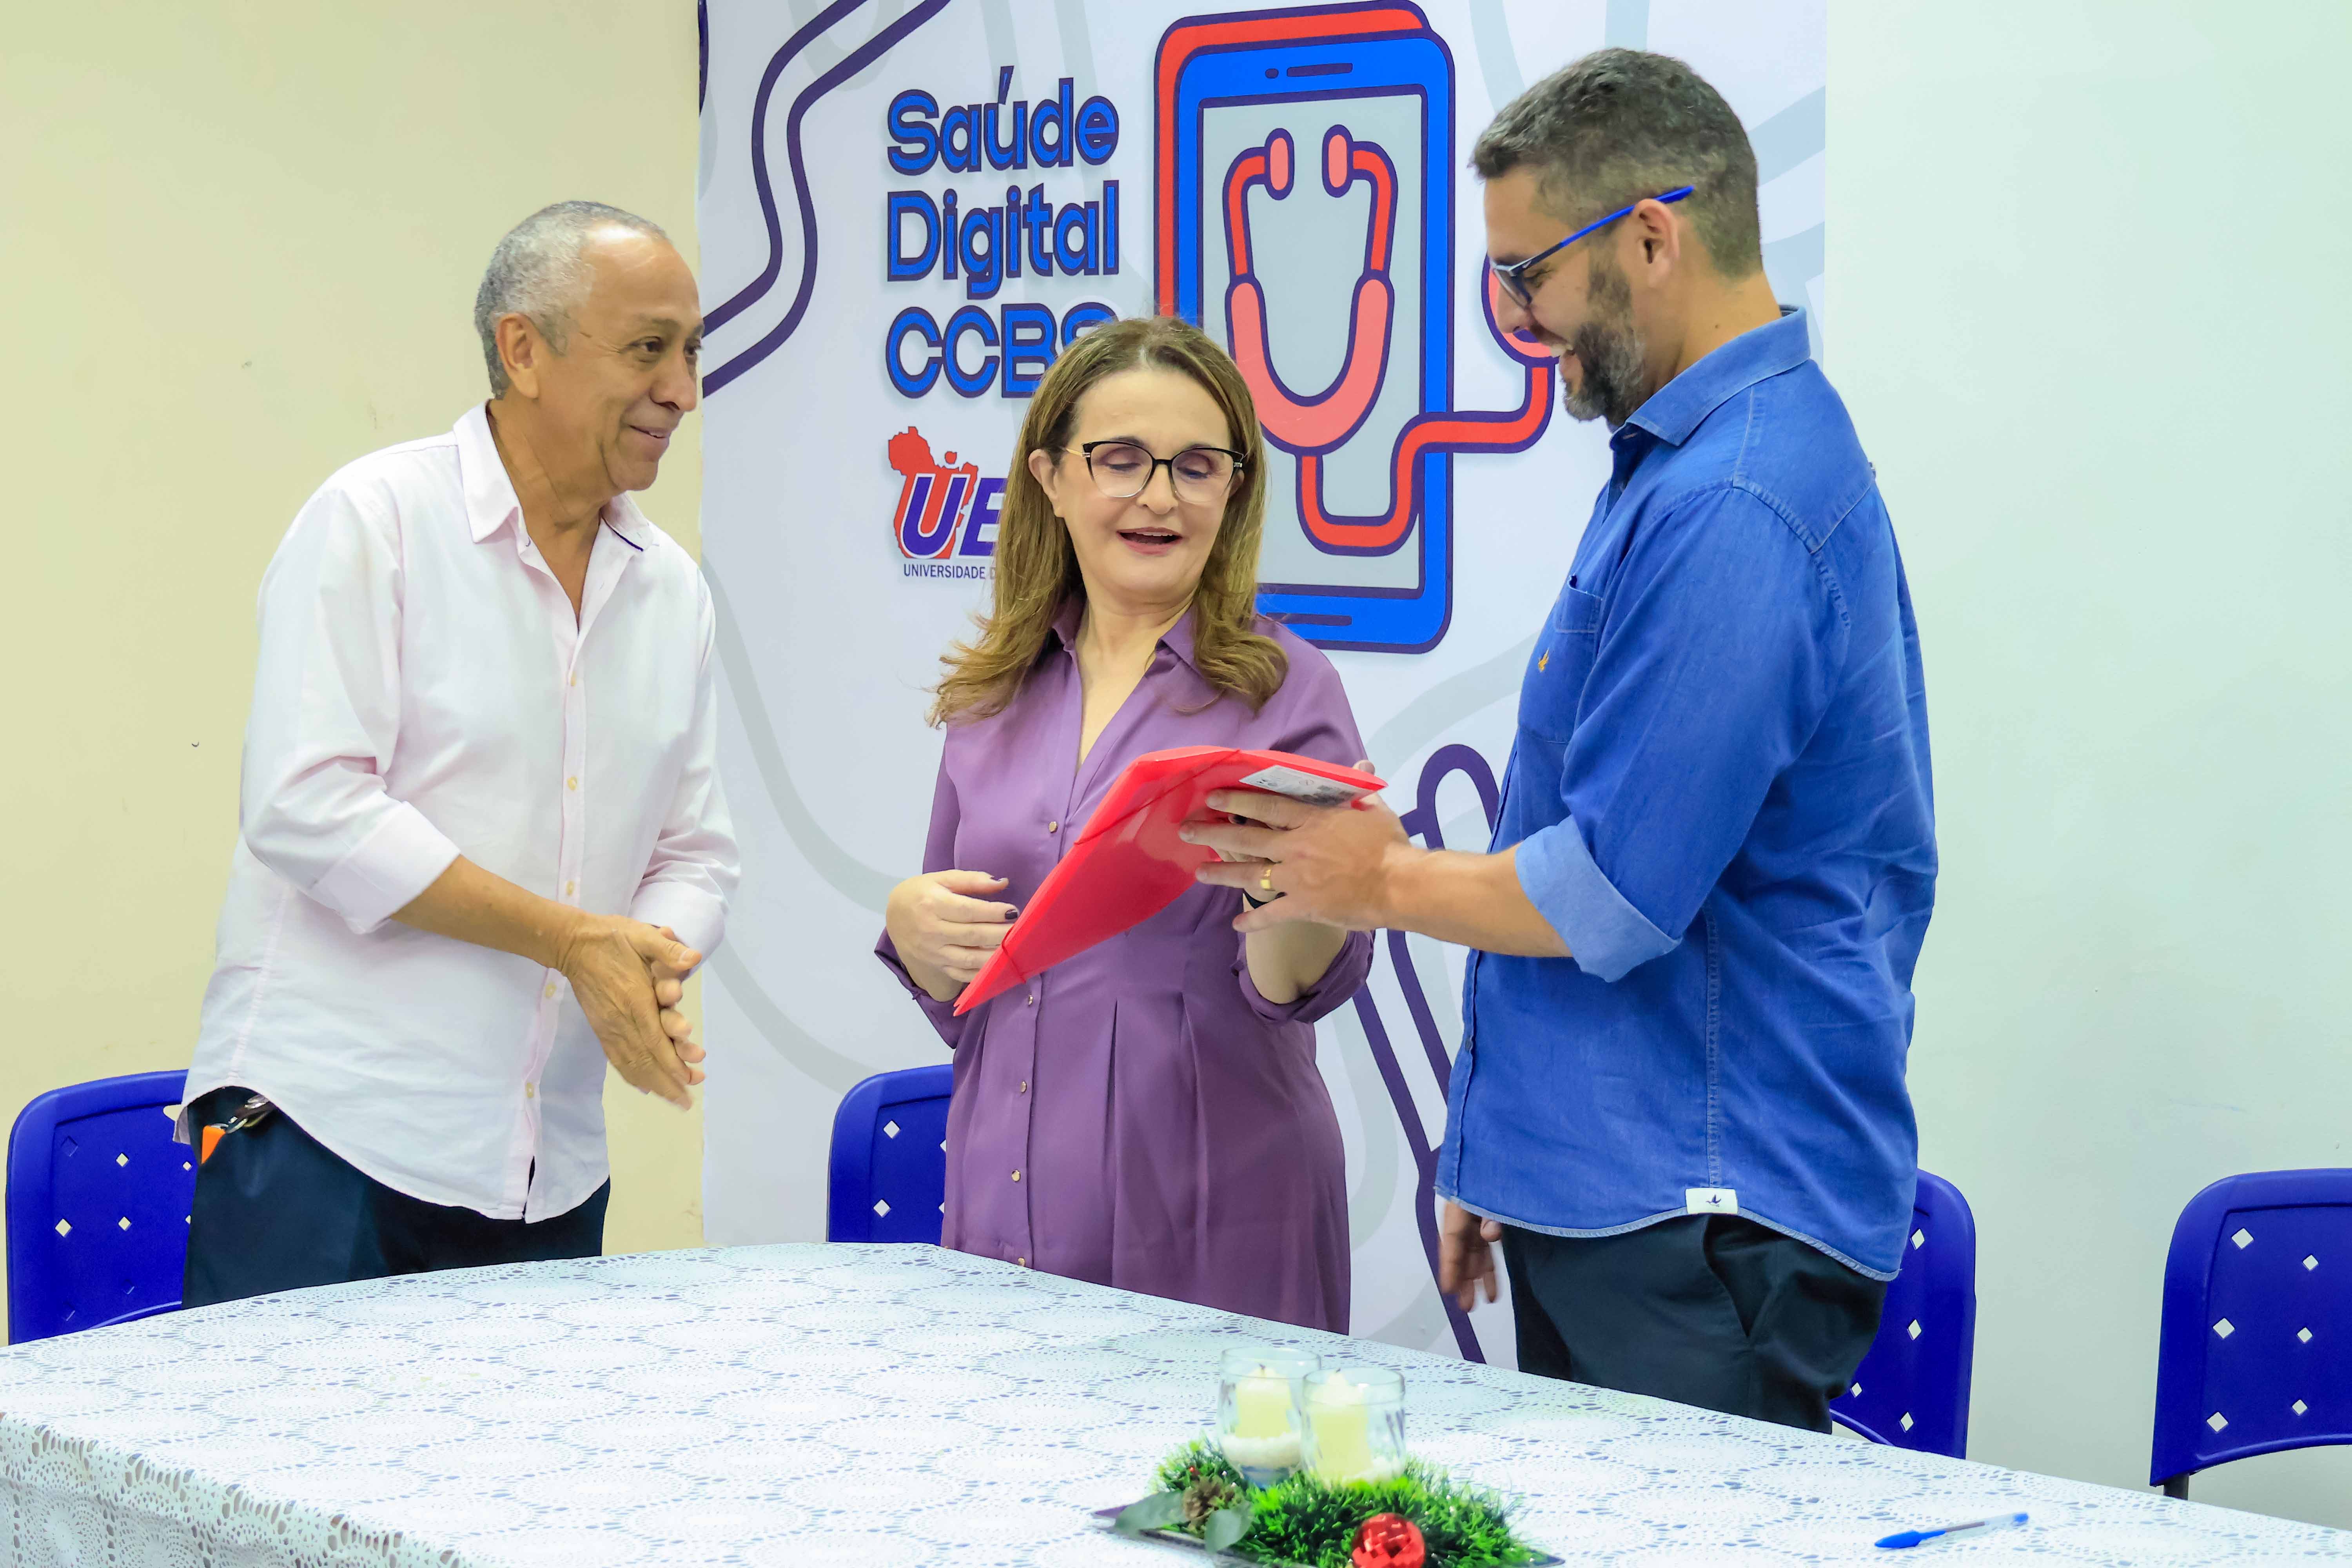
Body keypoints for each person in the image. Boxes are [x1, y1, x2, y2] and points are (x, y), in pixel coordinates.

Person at [1187, 50, 1936, 1432]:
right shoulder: (1693, 465)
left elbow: (1613, 892)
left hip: (1697, 1224)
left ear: (1650, 238)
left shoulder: (1737, 501)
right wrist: (1515, 1146)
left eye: (1527, 275)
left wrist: (1373, 877)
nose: (1521, 319)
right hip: (1629, 1197)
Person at [180, 201, 738, 1306]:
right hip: (332, 1139)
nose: (682, 389)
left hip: (547, 1166)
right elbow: (306, 806)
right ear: (523, 350)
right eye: (648, 348)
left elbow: (697, 852)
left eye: (690, 351)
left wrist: (643, 961)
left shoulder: (673, 589)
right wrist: (573, 940)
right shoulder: (376, 519)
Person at [877, 316, 1372, 1332]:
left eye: (1197, 466)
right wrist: (913, 927)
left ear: (1233, 490)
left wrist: (1292, 885)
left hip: (1218, 1209)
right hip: (1006, 1198)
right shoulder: (991, 696)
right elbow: (969, 987)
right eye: (1121, 460)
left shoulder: (1288, 690)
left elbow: (1301, 988)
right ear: (1051, 479)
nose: (1159, 496)